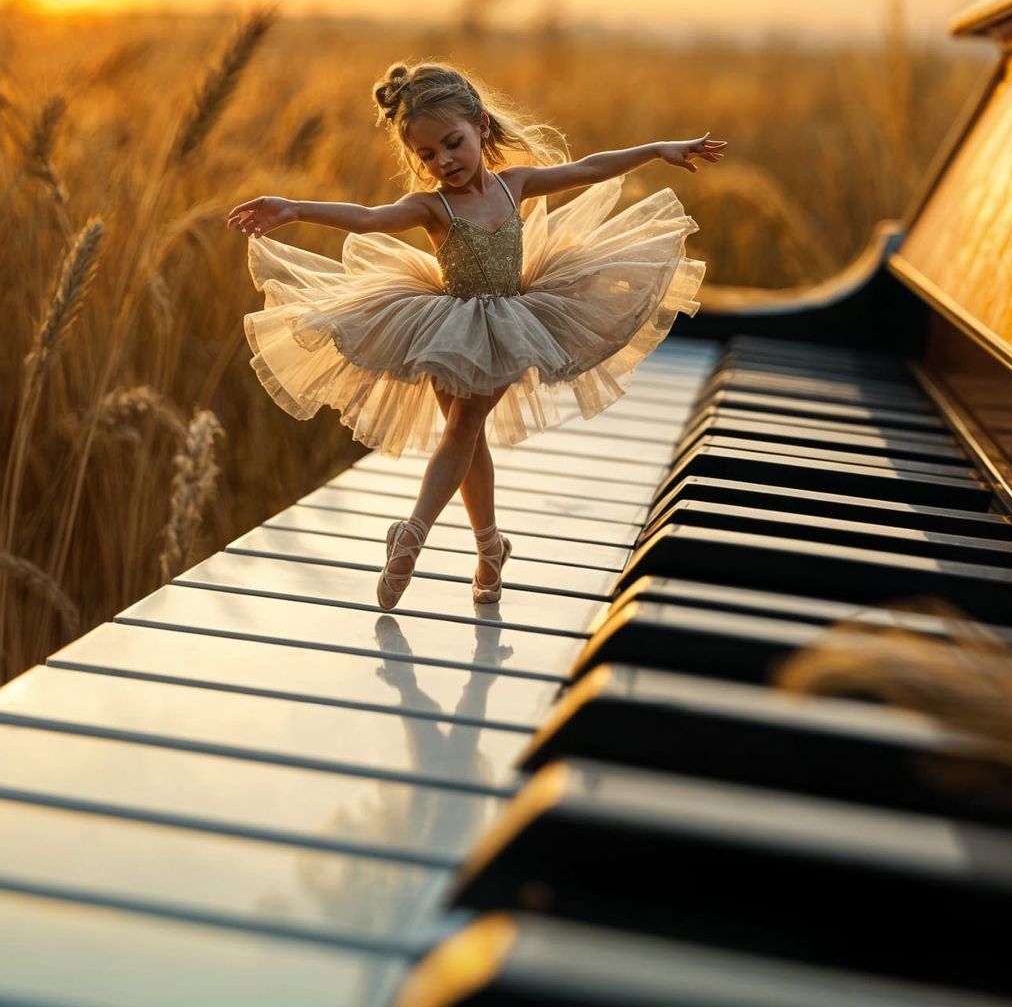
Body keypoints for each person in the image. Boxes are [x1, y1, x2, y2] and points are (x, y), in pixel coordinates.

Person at [226, 60, 718, 611]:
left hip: (512, 322)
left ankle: (413, 534)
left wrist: (657, 149)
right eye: (427, 155)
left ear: (482, 126)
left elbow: (591, 167)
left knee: (462, 428)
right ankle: (490, 549)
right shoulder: (430, 207)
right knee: (469, 436)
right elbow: (366, 217)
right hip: (445, 327)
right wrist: (294, 207)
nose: (444, 162)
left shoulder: (517, 185)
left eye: (453, 143)